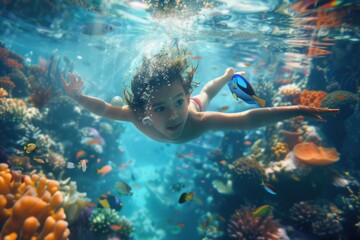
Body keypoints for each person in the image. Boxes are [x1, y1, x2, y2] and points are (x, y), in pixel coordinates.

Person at [61, 47, 339, 144]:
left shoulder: (198, 119)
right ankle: (223, 78)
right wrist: (78, 97)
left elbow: (247, 119)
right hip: (188, 105)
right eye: (159, 108)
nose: (172, 115)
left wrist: (299, 109)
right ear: (144, 109)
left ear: (184, 94)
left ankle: (225, 77)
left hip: (195, 107)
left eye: (177, 101)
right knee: (202, 96)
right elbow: (104, 109)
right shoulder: (135, 116)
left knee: (205, 94)